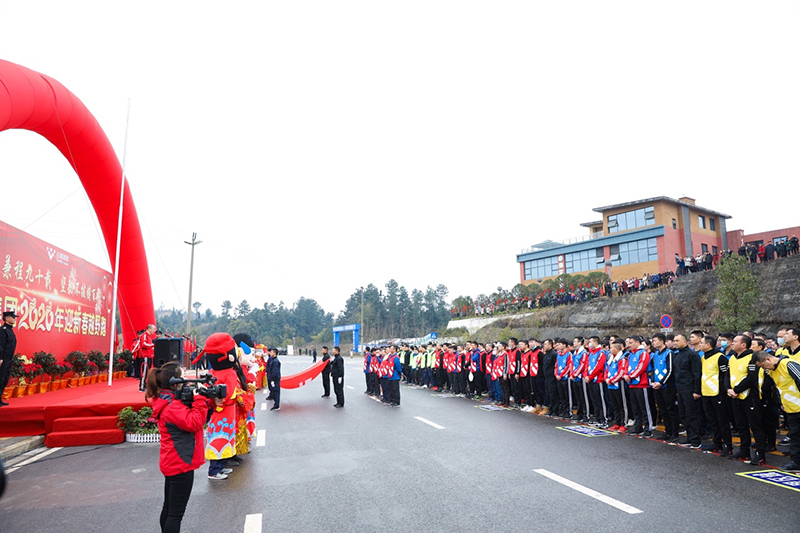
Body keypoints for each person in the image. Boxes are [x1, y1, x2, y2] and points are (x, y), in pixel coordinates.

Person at [146, 361, 208, 533]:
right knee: (175, 513)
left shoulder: (166, 400)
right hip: (180, 462)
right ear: (175, 382)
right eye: (183, 377)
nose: (187, 381)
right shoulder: (172, 407)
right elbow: (194, 422)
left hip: (172, 460)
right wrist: (200, 398)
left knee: (169, 508)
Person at [200, 332, 243, 480]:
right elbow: (229, 392)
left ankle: (220, 465)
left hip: (220, 411)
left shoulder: (212, 372)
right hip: (224, 411)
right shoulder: (230, 373)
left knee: (221, 437)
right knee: (220, 438)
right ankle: (214, 470)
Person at [753, 350, 800, 472]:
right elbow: (779, 388)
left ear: (768, 359)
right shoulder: (772, 371)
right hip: (791, 408)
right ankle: (796, 462)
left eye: (763, 366)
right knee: (795, 436)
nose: (763, 369)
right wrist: (782, 404)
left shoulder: (788, 364)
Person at [726, 335, 766, 464]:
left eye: (735, 341)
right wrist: (728, 389)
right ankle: (744, 450)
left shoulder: (752, 357)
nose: (732, 343)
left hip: (749, 396)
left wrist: (736, 390)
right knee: (741, 425)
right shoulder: (732, 358)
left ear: (743, 345)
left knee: (756, 426)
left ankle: (760, 454)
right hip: (735, 396)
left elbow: (751, 378)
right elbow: (727, 375)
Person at [699, 335, 732, 456]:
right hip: (706, 393)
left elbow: (725, 374)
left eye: (702, 343)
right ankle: (717, 443)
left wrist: (723, 390)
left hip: (718, 394)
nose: (700, 345)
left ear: (708, 345)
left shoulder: (720, 357)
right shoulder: (704, 357)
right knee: (713, 420)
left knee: (722, 421)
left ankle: (728, 445)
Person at [0, 311, 18, 407]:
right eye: (12, 317)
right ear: (6, 318)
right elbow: (1, 345)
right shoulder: (3, 330)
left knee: (5, 379)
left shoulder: (10, 330)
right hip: (3, 359)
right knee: (0, 378)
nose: (14, 319)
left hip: (9, 359)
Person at [138, 324, 156, 392]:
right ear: (149, 329)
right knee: (144, 372)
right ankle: (142, 387)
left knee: (147, 371)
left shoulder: (149, 337)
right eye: (153, 329)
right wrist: (152, 345)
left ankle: (145, 385)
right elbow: (143, 344)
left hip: (149, 356)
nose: (154, 331)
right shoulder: (144, 335)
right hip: (145, 356)